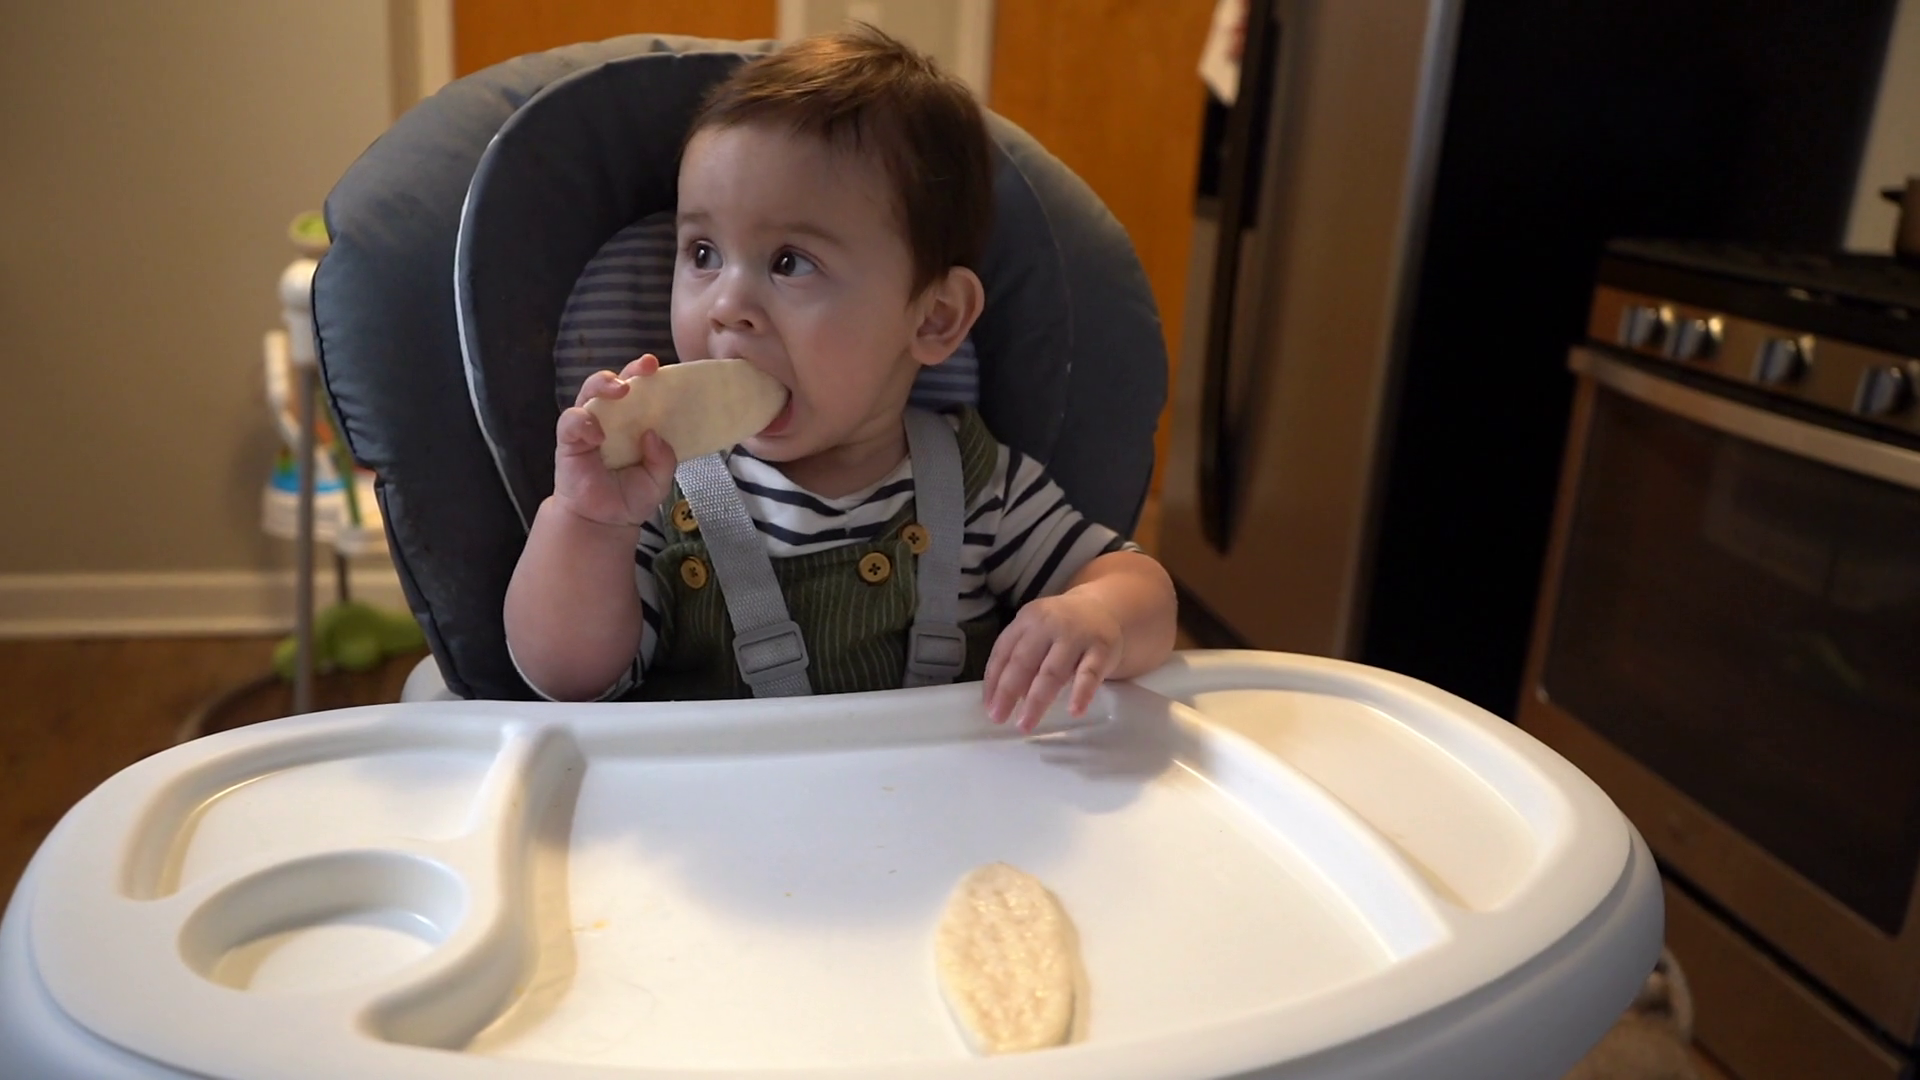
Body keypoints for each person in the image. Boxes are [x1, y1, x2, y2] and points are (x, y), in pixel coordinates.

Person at [504, 25, 1176, 729]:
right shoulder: (654, 484)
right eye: (703, 253)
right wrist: (588, 522)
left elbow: (1140, 588)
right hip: (713, 794)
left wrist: (1094, 615)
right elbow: (568, 679)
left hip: (933, 794)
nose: (727, 304)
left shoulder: (980, 489)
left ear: (935, 318)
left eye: (790, 262)